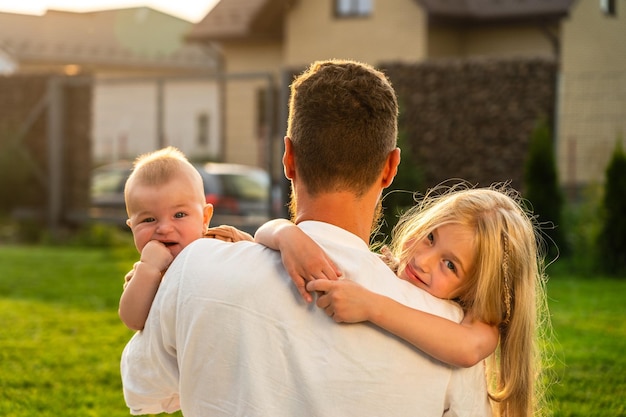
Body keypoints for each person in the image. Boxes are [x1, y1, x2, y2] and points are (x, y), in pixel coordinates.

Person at [121, 59, 492, 416]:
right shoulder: (449, 331)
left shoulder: (194, 267)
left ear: (289, 158)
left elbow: (143, 391)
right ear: (390, 167)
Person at [255, 183, 552, 417]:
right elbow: (262, 232)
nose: (424, 261)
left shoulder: (476, 327)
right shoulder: (384, 268)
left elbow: (469, 348)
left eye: (450, 265)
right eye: (431, 238)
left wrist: (372, 306)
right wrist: (286, 235)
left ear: (476, 290)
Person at [119, 146, 251, 331]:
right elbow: (133, 320)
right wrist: (149, 268)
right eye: (149, 219)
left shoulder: (226, 240)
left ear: (205, 218)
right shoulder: (144, 276)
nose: (164, 228)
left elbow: (264, 257)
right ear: (132, 228)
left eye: (179, 215)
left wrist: (281, 232)